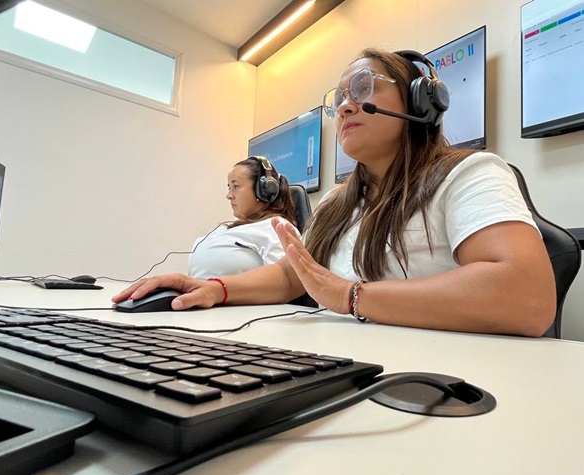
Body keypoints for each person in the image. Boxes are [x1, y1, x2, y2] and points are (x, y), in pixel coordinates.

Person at [114, 48, 556, 337]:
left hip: (436, 378)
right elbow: (295, 276)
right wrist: (214, 289)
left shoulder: (468, 173)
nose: (344, 106)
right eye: (340, 97)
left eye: (362, 88)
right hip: (342, 364)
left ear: (419, 102)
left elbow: (528, 297)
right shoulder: (338, 202)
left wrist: (351, 296)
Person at [187, 156, 299, 279]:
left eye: (236, 186)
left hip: (222, 291)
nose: (229, 195)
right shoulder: (232, 228)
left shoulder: (276, 227)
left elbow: (285, 281)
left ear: (264, 190)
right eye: (229, 187)